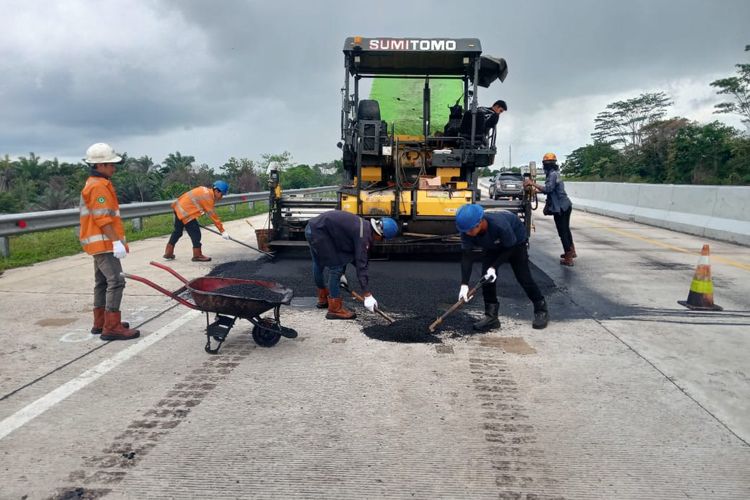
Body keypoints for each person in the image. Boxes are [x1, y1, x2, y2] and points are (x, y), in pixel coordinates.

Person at [79, 143, 140, 341]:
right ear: (100, 165)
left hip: (99, 243)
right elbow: (103, 218)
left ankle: (100, 322)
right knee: (116, 281)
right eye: (111, 164)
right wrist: (116, 242)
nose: (114, 168)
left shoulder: (97, 183)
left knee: (102, 282)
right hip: (104, 243)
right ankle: (111, 326)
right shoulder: (98, 187)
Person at [455, 204, 548, 331]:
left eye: (470, 230)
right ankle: (491, 317)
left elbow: (510, 247)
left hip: (515, 244)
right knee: (486, 279)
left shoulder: (500, 225)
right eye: (466, 231)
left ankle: (541, 309)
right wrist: (464, 284)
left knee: (524, 277)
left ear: (480, 222)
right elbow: (467, 256)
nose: (468, 234)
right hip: (493, 245)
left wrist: (494, 267)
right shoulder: (467, 230)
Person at [305, 211, 399, 320]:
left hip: (312, 228)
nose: (381, 241)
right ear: (380, 234)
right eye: (383, 239)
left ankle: (323, 298)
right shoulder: (363, 237)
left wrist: (343, 274)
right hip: (320, 233)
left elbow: (346, 251)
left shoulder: (364, 226)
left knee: (319, 263)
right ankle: (334, 309)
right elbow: (360, 264)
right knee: (336, 268)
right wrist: (367, 295)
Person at [524, 152, 575, 266]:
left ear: (545, 164)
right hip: (565, 205)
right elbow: (551, 190)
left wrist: (532, 183)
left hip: (560, 208)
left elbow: (548, 189)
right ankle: (571, 251)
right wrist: (535, 190)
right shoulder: (555, 173)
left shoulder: (552, 175)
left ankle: (568, 257)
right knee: (566, 230)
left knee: (563, 232)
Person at [163, 180, 230, 262]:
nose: (221, 197)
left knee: (177, 231)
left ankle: (168, 252)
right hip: (186, 213)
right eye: (222, 194)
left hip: (178, 208)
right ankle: (197, 255)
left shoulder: (204, 190)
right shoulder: (208, 197)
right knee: (196, 233)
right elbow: (213, 216)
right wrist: (222, 231)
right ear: (216, 191)